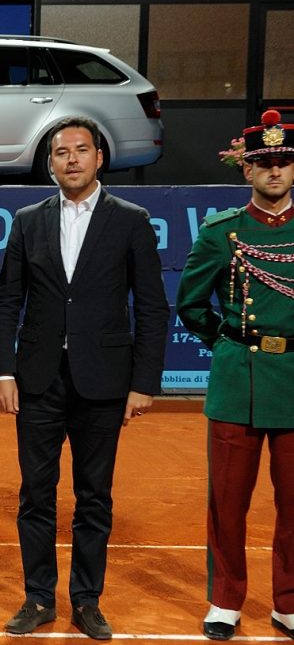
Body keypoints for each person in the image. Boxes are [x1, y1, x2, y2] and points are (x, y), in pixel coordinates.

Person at [0, 116, 170, 641]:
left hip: (105, 382)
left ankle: (87, 599)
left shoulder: (131, 219)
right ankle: (39, 597)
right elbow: (6, 304)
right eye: (61, 152)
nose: (71, 159)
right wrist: (3, 369)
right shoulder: (27, 220)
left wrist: (143, 382)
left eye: (81, 150)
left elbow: (152, 308)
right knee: (35, 495)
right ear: (50, 163)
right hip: (39, 380)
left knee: (95, 497)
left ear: (99, 158)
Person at [175, 109, 294, 642]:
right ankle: (226, 599)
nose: (274, 171)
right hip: (237, 380)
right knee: (227, 501)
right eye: (263, 163)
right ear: (246, 171)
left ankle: (288, 603)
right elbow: (191, 304)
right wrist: (230, 347)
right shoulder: (223, 233)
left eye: (283, 162)